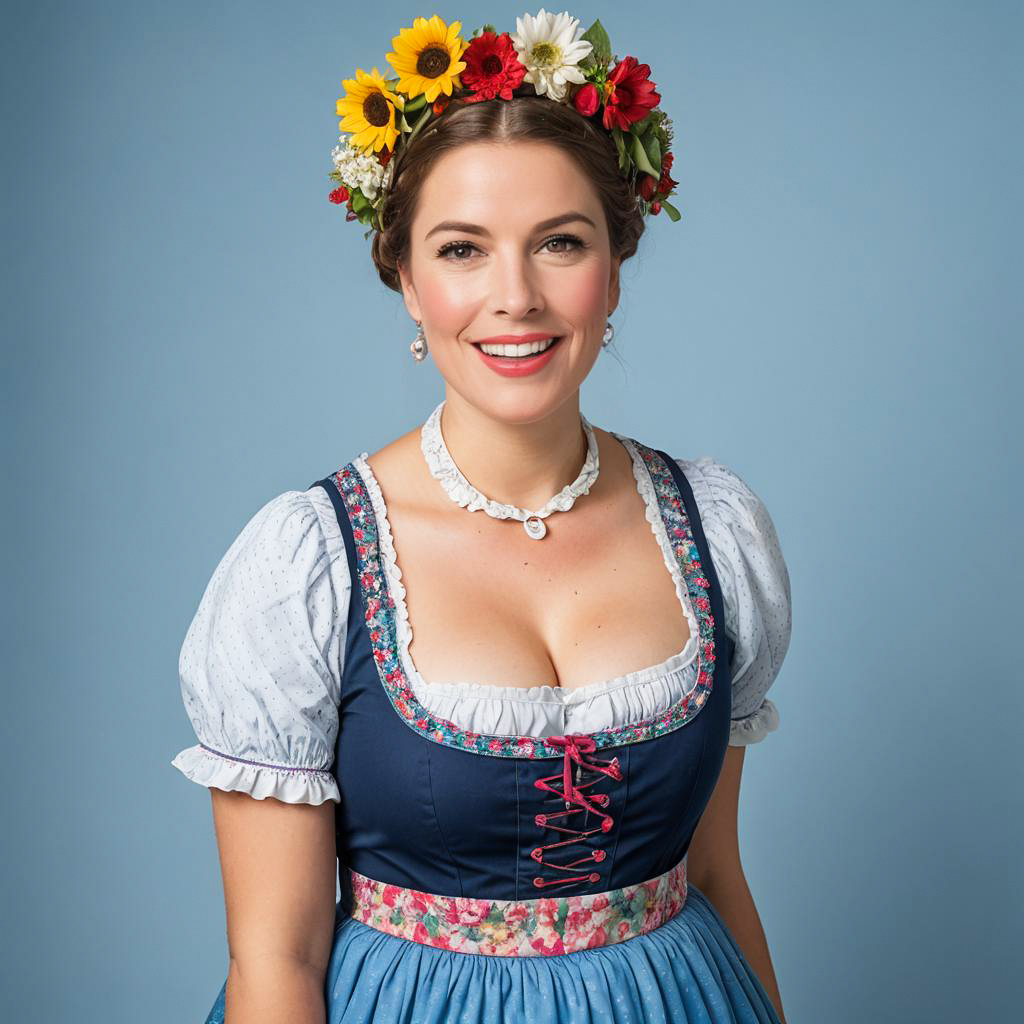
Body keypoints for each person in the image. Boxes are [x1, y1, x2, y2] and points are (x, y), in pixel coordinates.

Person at [171, 10, 793, 1023]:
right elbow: (274, 959)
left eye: (559, 242)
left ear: (613, 269)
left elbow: (716, 875)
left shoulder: (713, 530)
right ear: (406, 281)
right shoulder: (306, 563)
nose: (514, 295)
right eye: (462, 249)